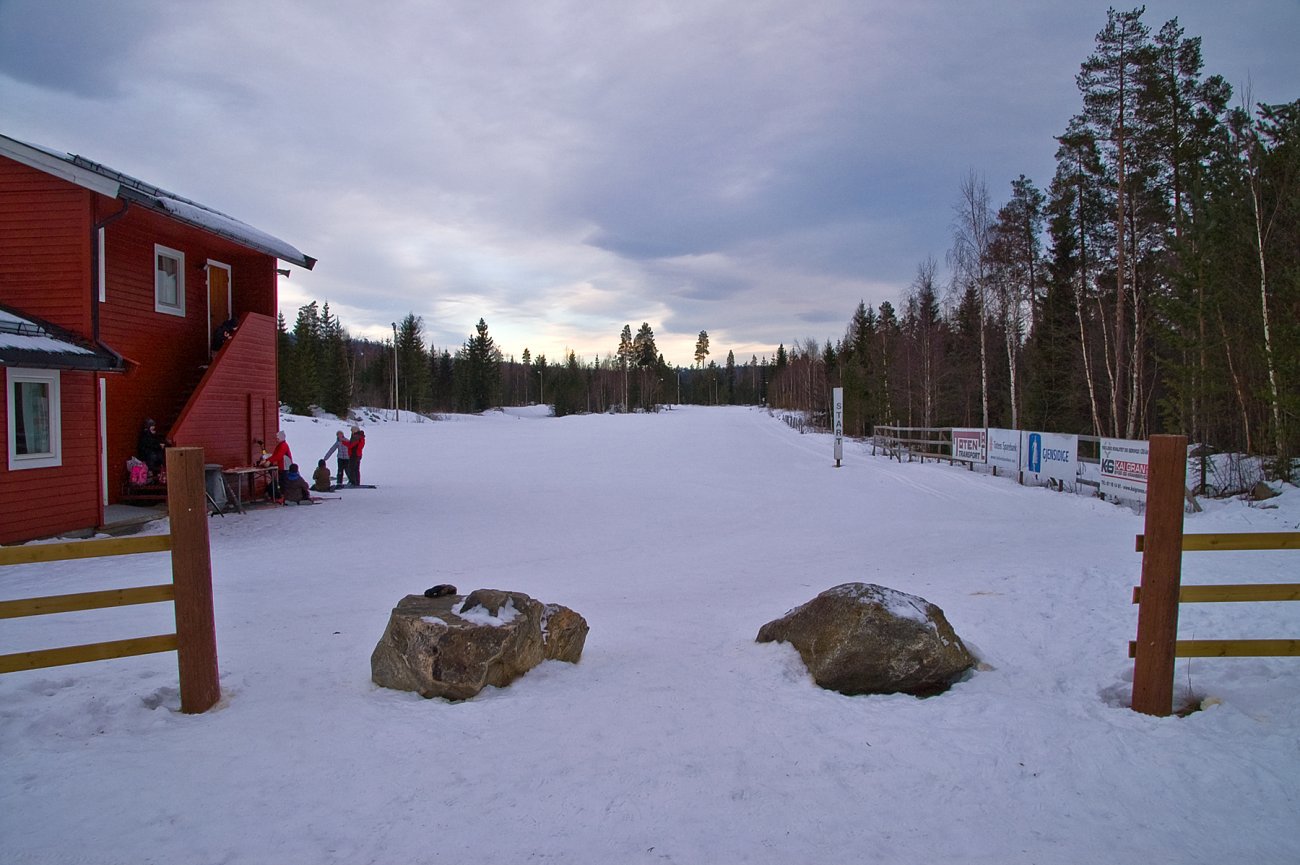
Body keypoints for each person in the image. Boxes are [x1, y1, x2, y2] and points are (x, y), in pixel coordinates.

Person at [259, 430, 293, 500]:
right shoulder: (280, 445)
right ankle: (281, 496)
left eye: (277, 438)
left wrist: (268, 460)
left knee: (283, 482)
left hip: (285, 467)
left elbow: (279, 456)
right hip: (282, 466)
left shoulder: (283, 445)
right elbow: (275, 455)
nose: (276, 440)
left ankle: (284, 497)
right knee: (280, 481)